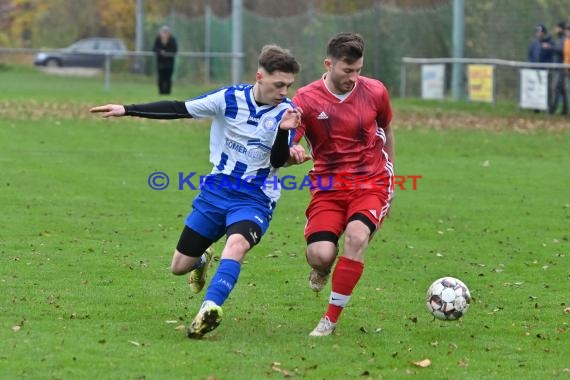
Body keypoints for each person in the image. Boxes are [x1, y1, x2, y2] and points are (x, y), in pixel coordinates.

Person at [90, 45, 302, 339]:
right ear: (259, 76)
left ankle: (210, 308)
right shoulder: (228, 98)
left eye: (288, 85)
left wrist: (283, 132)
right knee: (179, 267)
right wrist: (127, 109)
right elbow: (179, 108)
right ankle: (201, 259)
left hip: (255, 198)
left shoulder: (287, 113)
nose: (284, 91)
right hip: (216, 192)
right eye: (279, 84)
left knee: (236, 246)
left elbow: (278, 161)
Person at [289, 32, 395, 336]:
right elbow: (287, 144)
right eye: (347, 71)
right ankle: (321, 269)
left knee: (356, 238)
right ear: (328, 64)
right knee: (321, 254)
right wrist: (291, 152)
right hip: (328, 187)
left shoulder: (375, 92)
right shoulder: (306, 100)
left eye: (358, 70)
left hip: (370, 181)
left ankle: (330, 320)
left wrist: (392, 173)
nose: (354, 77)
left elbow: (386, 126)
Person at [152, 26, 178, 95]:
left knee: (168, 78)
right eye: (163, 32)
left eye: (166, 32)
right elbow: (154, 49)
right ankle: (161, 92)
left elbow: (175, 50)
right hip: (160, 63)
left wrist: (167, 53)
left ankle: (168, 92)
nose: (165, 34)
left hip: (169, 63)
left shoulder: (172, 40)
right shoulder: (158, 39)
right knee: (161, 78)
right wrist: (161, 52)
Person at [549, 21, 568, 115]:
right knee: (562, 90)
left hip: (561, 67)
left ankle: (552, 109)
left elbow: (561, 51)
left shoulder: (564, 39)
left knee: (556, 88)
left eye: (557, 28)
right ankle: (565, 109)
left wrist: (551, 47)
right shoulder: (560, 38)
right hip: (559, 67)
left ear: (561, 29)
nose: (556, 30)